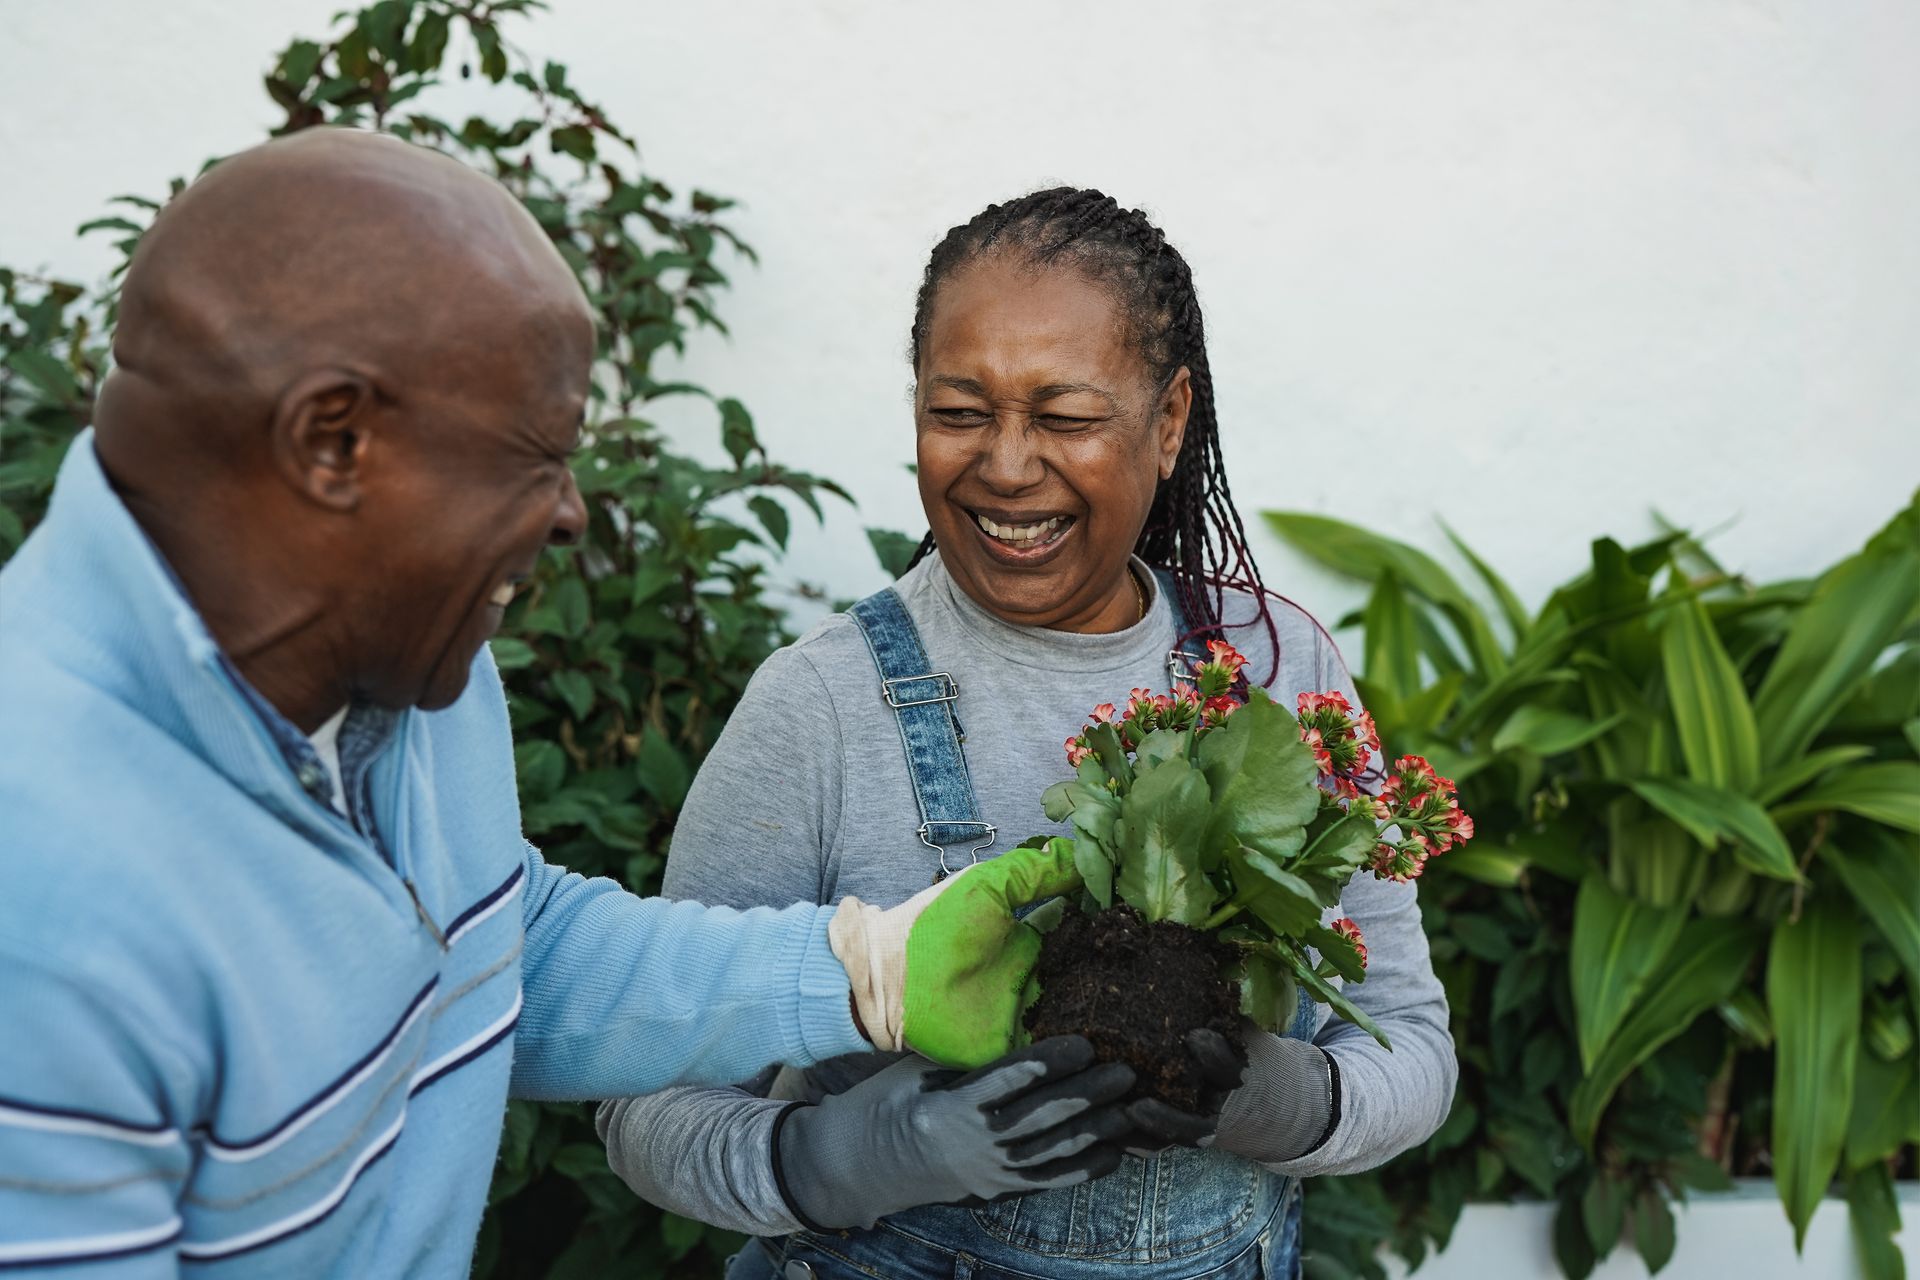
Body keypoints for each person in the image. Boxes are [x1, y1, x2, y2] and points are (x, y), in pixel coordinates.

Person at [0, 135, 1139, 1278]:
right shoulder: (46, 894)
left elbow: (499, 944)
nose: (570, 514)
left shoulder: (403, 659)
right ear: (334, 439)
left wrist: (867, 968)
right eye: (535, 455)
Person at [598, 188, 1460, 1279]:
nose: (1007, 465)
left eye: (1064, 418)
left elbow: (1410, 1048)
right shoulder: (822, 703)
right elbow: (649, 1100)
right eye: (960, 411)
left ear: (1169, 418)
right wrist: (843, 1156)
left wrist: (1279, 1097)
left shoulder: (1279, 672)